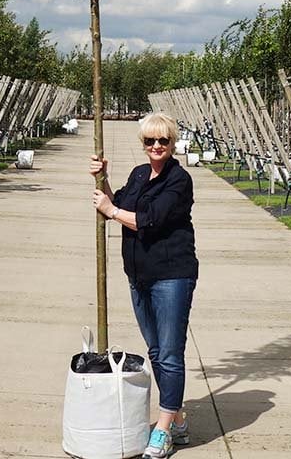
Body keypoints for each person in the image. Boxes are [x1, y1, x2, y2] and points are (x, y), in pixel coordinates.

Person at [90, 111, 198, 459]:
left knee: (169, 353)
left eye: (163, 141)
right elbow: (119, 202)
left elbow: (147, 221)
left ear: (172, 143)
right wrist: (102, 179)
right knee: (155, 351)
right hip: (139, 275)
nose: (156, 146)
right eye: (150, 141)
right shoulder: (139, 174)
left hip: (172, 275)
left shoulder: (179, 181)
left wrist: (110, 211)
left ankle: (163, 430)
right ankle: (178, 417)